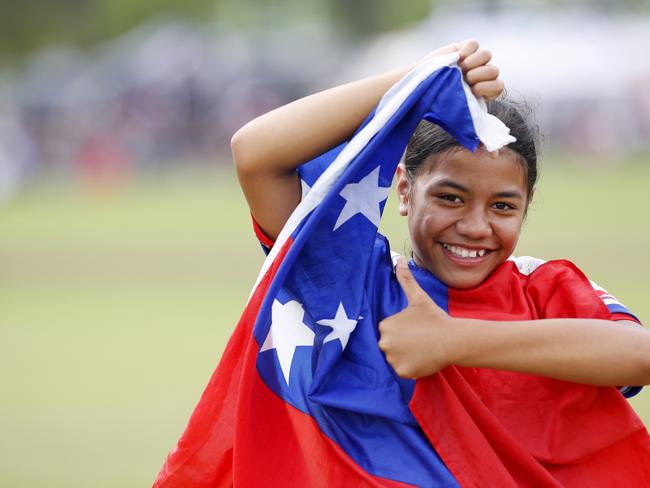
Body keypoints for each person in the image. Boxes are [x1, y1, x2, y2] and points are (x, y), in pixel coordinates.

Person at [229, 40, 650, 485]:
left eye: (503, 206)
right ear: (405, 191)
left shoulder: (543, 287)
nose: (474, 226)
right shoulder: (355, 286)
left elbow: (640, 356)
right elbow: (255, 154)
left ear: (526, 207)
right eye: (451, 198)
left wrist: (451, 340)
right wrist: (416, 80)